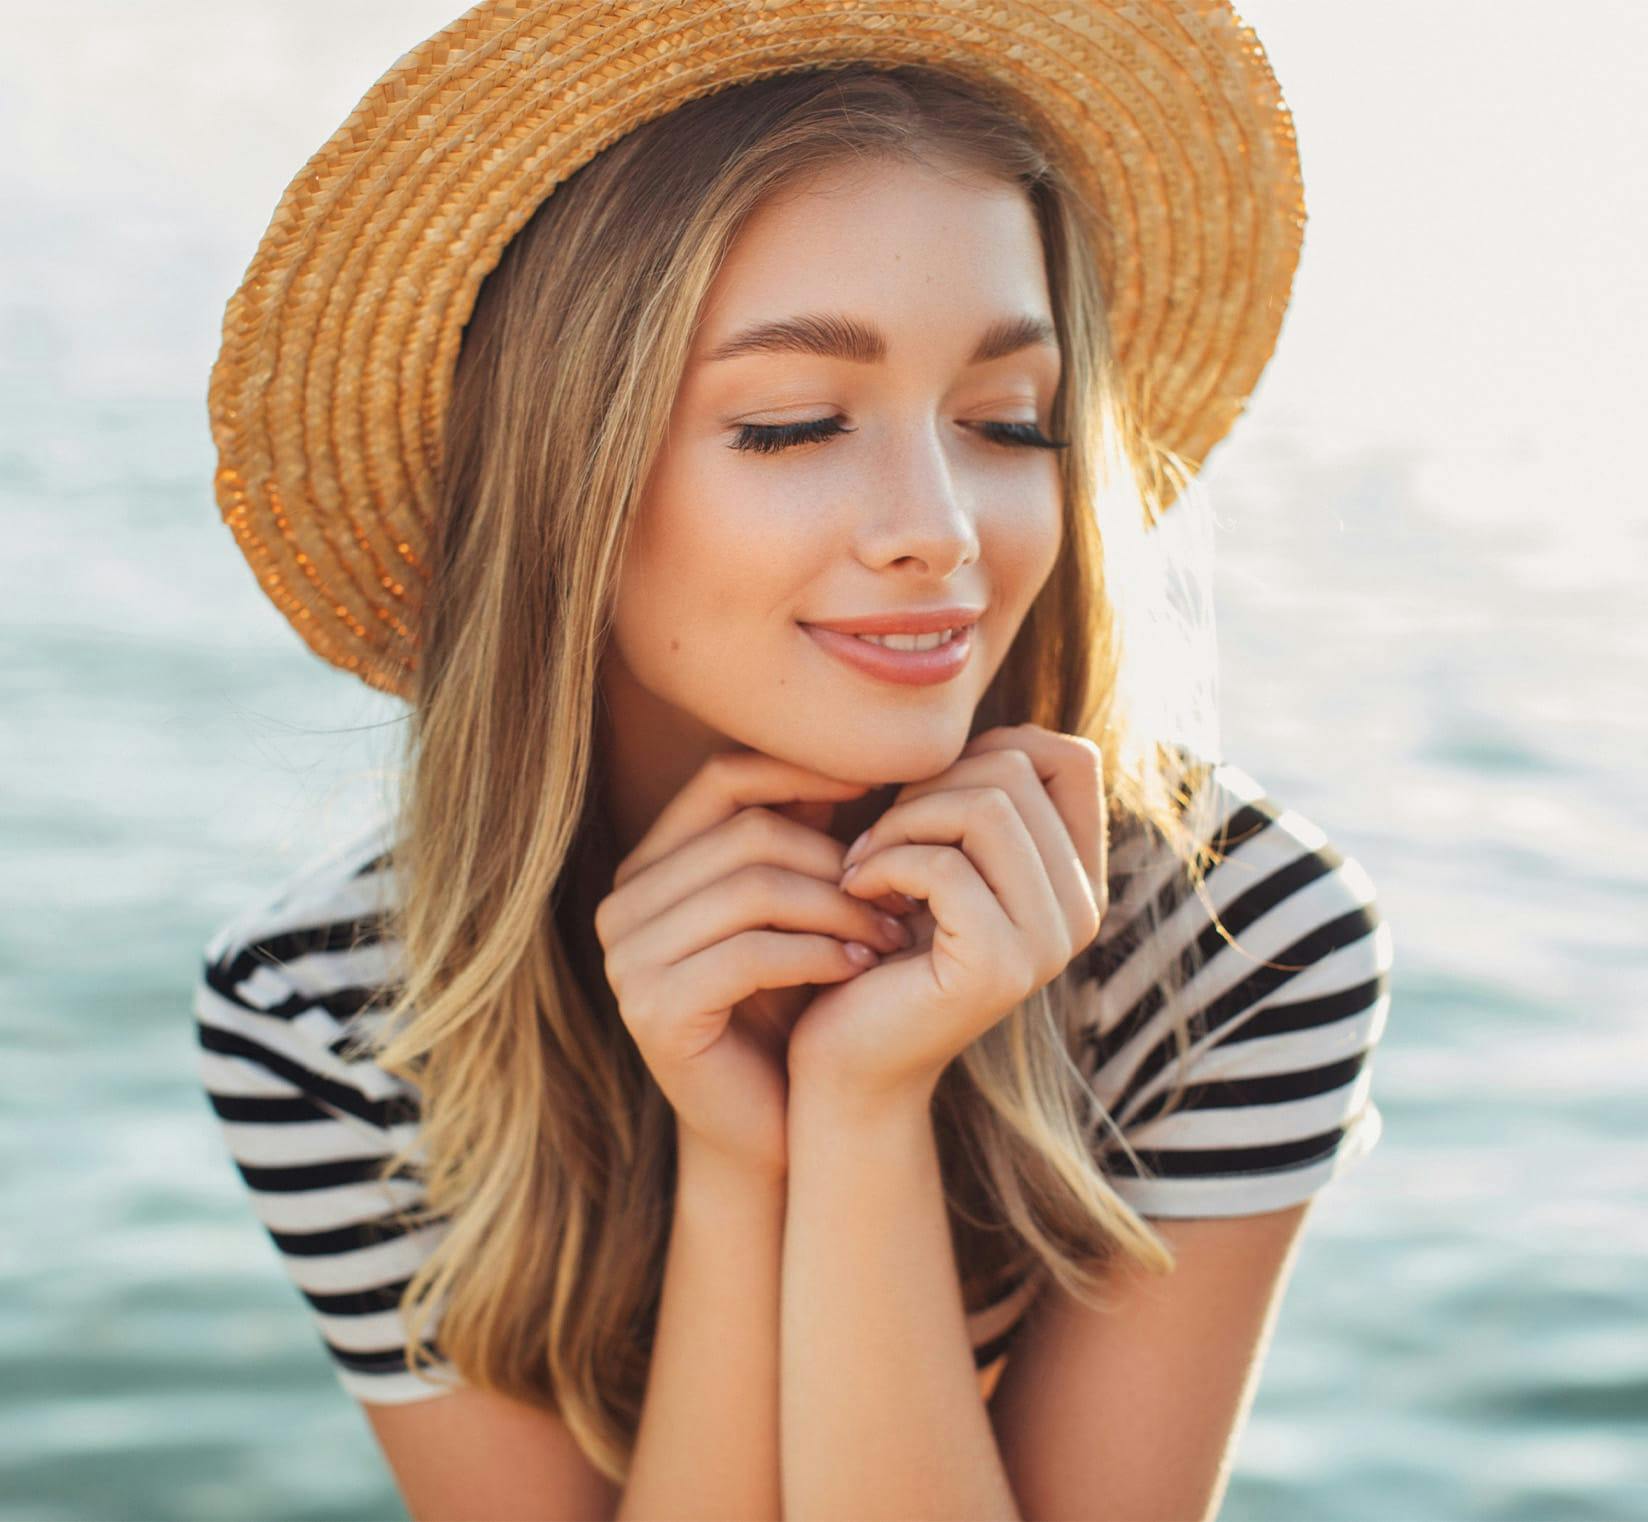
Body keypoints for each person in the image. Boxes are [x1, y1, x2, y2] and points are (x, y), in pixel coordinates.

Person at [193, 4, 1392, 1517]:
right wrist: (739, 1163)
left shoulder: (1243, 944)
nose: (943, 530)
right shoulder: (326, 1010)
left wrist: (863, 1114)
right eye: (794, 423)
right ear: (563, 482)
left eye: (1008, 420)